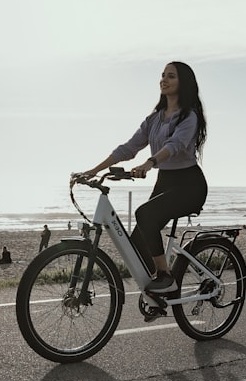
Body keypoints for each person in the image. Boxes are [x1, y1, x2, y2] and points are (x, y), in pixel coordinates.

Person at [81, 61, 208, 295]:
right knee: (137, 243)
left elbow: (175, 145)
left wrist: (150, 163)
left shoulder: (189, 117)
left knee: (144, 213)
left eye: (171, 76)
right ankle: (158, 293)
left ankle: (166, 276)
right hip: (165, 182)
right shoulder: (154, 119)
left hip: (189, 185)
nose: (164, 79)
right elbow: (128, 148)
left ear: (184, 83)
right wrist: (94, 170)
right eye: (162, 75)